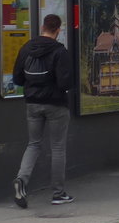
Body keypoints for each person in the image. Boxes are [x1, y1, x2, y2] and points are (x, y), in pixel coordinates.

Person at [13, 13, 74, 207]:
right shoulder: (60, 51)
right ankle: (58, 193)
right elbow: (65, 82)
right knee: (57, 148)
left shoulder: (26, 48)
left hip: (32, 104)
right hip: (56, 104)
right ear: (58, 30)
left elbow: (17, 79)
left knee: (33, 144)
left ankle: (21, 180)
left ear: (42, 28)